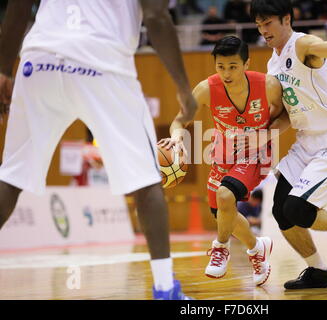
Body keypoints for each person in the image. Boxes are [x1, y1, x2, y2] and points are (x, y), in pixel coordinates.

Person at [0, 0, 197, 300]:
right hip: (101, 58)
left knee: (10, 178)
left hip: (38, 58)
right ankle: (165, 289)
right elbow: (157, 17)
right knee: (145, 179)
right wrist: (183, 89)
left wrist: (3, 70)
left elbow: (17, 6)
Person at [250, 0, 327, 289]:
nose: (263, 31)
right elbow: (286, 117)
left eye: (268, 23)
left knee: (298, 211)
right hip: (305, 142)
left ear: (287, 19)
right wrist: (263, 135)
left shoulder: (302, 44)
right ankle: (318, 271)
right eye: (259, 25)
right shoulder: (272, 63)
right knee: (280, 210)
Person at [158, 36, 289, 286]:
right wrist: (176, 139)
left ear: (246, 63)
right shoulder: (206, 89)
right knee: (222, 214)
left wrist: (265, 135)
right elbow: (178, 120)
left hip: (256, 152)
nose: (226, 73)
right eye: (221, 67)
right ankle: (256, 248)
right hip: (223, 155)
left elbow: (285, 118)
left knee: (226, 195)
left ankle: (220, 247)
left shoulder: (268, 85)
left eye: (233, 66)